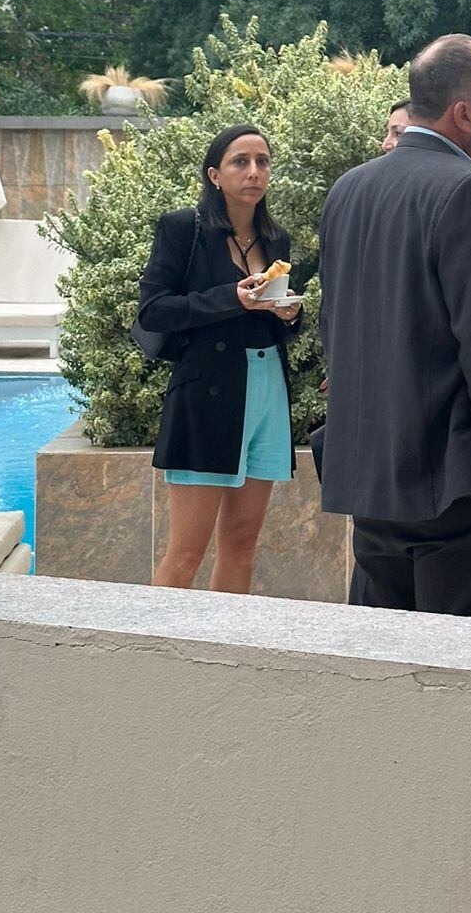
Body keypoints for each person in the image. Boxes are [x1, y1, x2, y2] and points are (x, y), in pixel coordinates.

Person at [317, 34, 471, 618]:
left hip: (371, 482)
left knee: (382, 673)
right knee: (457, 683)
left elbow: (334, 329)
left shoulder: (348, 190)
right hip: (454, 487)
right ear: (463, 114)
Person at [139, 125, 302, 592]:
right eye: (240, 161)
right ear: (215, 174)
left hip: (268, 387)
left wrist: (289, 315)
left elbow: (270, 320)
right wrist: (230, 298)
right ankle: (153, 658)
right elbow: (154, 310)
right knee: (186, 553)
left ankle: (223, 652)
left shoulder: (276, 241)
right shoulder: (182, 229)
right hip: (208, 392)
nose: (254, 172)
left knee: (243, 545)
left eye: (263, 161)